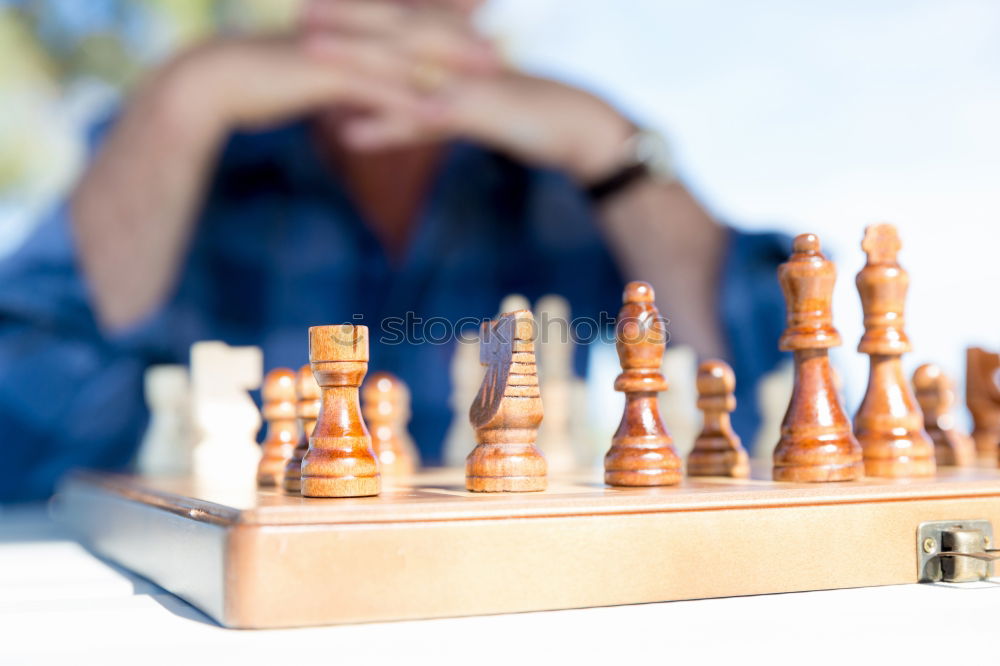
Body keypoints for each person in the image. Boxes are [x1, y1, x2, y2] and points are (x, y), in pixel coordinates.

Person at [0, 0, 788, 501]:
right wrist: (179, 99)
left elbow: (763, 416)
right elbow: (20, 445)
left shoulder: (561, 179)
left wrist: (611, 150)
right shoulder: (175, 150)